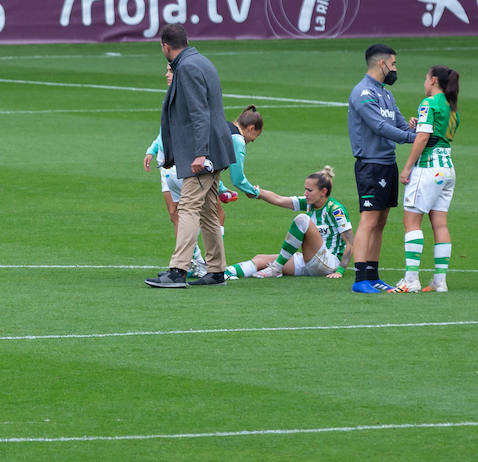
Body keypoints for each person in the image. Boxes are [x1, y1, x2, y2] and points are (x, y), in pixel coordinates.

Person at [146, 23, 236, 288]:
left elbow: (199, 113)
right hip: (214, 147)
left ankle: (178, 270)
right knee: (208, 211)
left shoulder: (186, 67)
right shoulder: (199, 61)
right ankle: (217, 271)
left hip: (204, 153)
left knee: (187, 207)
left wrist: (200, 153)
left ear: (165, 46)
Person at [348, 43, 418, 293]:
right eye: (394, 64)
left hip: (388, 163)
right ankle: (359, 279)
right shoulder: (363, 93)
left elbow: (399, 124)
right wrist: (412, 139)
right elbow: (379, 126)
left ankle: (373, 275)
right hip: (371, 165)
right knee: (369, 219)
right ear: (382, 64)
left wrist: (415, 127)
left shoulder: (386, 94)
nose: (395, 68)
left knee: (381, 220)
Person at [392, 65, 460, 293]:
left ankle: (410, 280)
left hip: (429, 167)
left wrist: (407, 167)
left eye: (425, 78)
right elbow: (436, 133)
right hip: (448, 167)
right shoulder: (452, 108)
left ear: (432, 80)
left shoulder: (428, 104)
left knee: (411, 222)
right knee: (440, 224)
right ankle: (440, 281)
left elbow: (423, 138)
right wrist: (419, 125)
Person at [223, 166, 354, 280]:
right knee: (261, 259)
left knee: (302, 219)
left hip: (328, 264)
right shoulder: (309, 203)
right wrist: (258, 192)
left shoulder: (336, 210)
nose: (305, 193)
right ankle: (223, 272)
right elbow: (279, 200)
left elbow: (350, 242)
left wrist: (340, 271)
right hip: (309, 261)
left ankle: (276, 268)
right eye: (305, 189)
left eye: (309, 190)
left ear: (323, 192)